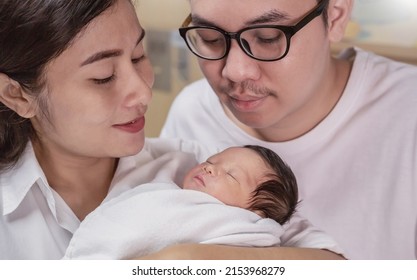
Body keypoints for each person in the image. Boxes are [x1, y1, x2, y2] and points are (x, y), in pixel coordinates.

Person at [0, 0, 342, 260]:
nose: (143, 92)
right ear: (16, 94)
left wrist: (187, 260)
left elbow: (333, 262)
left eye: (138, 56)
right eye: (103, 76)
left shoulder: (190, 165)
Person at [160, 0, 417, 259]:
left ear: (336, 16)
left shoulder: (408, 112)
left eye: (268, 38)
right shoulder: (192, 111)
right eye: (210, 38)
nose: (235, 72)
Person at [63, 145, 300, 259]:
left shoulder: (240, 229)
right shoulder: (167, 187)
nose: (210, 168)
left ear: (254, 214)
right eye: (212, 160)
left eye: (230, 175)